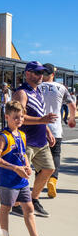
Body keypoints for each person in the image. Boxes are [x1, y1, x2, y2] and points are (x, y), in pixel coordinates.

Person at [0, 100, 59, 236]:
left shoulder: (22, 134)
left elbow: (22, 154)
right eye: (16, 117)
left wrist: (28, 165)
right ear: (7, 117)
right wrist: (15, 168)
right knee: (6, 209)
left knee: (29, 209)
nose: (19, 120)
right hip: (8, 181)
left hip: (22, 180)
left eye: (21, 117)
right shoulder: (3, 136)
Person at [12, 61, 57, 218]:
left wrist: (48, 131)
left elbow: (39, 113)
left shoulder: (37, 92)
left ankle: (34, 199)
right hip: (25, 142)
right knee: (23, 173)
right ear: (28, 74)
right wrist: (41, 121)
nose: (40, 76)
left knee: (49, 169)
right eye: (37, 73)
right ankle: (16, 205)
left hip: (41, 141)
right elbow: (19, 117)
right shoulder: (22, 93)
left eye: (42, 73)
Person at [39, 63, 76, 199]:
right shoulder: (61, 88)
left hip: (38, 127)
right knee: (55, 154)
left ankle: (41, 180)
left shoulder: (36, 87)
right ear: (53, 74)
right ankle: (53, 180)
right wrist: (72, 119)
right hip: (55, 127)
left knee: (39, 156)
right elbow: (71, 105)